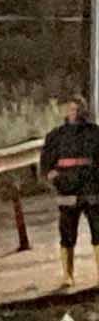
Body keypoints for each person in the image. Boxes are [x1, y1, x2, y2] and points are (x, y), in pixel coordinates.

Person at [40, 96, 99, 287]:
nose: (74, 112)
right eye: (71, 109)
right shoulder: (55, 136)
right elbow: (46, 163)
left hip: (91, 189)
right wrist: (54, 177)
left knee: (98, 231)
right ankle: (67, 275)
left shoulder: (94, 133)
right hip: (67, 190)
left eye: (77, 109)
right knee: (67, 233)